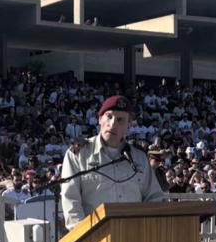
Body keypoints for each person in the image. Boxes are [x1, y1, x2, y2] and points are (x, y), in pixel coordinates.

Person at [61, 95, 166, 228]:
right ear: (99, 119)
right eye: (109, 116)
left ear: (128, 125)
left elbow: (154, 197)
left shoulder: (139, 157)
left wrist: (147, 228)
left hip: (133, 237)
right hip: (94, 239)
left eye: (120, 120)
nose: (113, 124)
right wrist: (83, 236)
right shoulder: (78, 154)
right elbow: (71, 200)